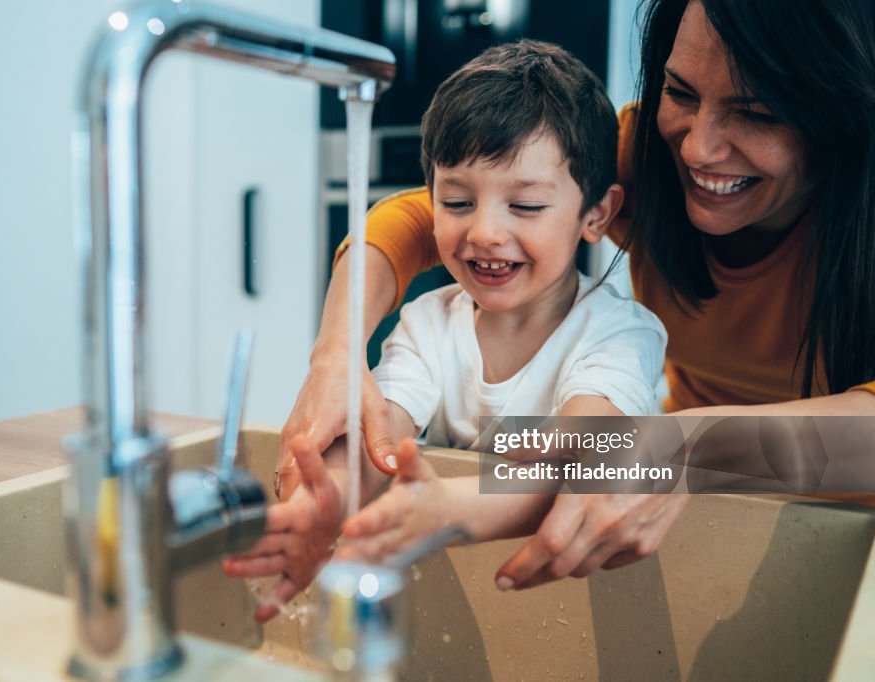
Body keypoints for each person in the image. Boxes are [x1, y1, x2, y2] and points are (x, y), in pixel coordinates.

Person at [278, 0, 875, 591]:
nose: (698, 149)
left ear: (848, 107)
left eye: (757, 111)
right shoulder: (650, 157)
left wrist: (670, 448)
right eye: (679, 93)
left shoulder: (617, 334)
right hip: (681, 500)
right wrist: (335, 353)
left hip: (865, 530)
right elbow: (417, 219)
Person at [225, 40, 666, 620]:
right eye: (457, 201)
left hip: (585, 610)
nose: (483, 232)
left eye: (526, 206)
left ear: (596, 215)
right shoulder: (428, 323)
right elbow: (382, 436)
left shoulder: (619, 331)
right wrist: (324, 498)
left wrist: (450, 506)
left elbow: (588, 448)